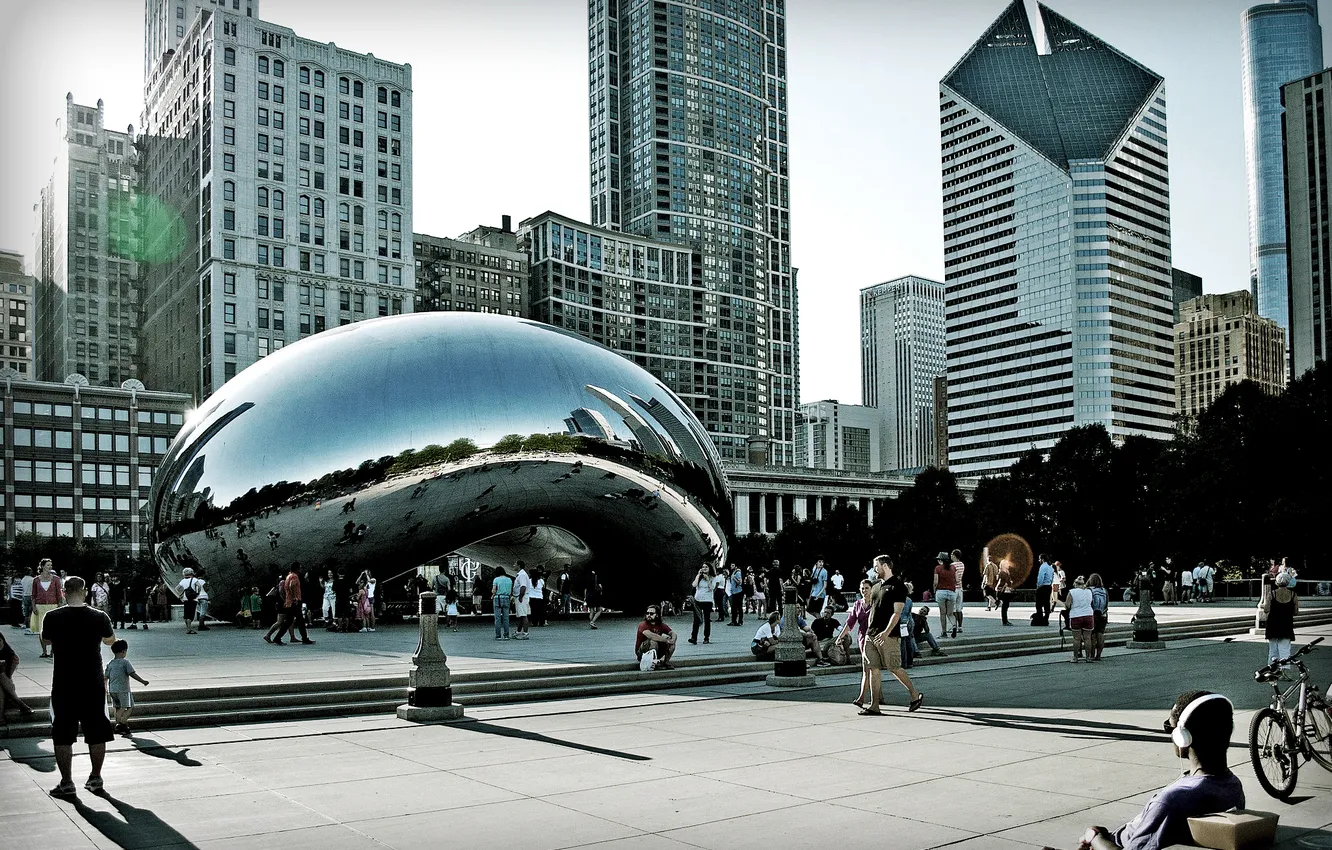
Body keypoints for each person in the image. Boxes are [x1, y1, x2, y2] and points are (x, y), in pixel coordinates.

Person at [1079, 691, 1243, 850]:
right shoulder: (1233, 785)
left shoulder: (1173, 800)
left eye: (1169, 728)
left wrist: (1095, 837)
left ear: (1183, 736)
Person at [41, 576, 117, 796]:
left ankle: (66, 782)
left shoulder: (52, 617)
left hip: (64, 682)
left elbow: (46, 641)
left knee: (62, 733)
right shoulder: (99, 616)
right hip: (92, 681)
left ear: (64, 592)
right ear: (85, 592)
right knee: (97, 731)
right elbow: (110, 640)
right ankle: (95, 778)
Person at [858, 555, 923, 715]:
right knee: (873, 668)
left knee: (894, 667)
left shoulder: (898, 586)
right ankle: (874, 705)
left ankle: (914, 695)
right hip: (871, 635)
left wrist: (886, 632)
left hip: (889, 636)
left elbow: (897, 613)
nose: (874, 569)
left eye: (876, 566)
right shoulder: (875, 586)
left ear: (885, 566)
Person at [104, 639, 149, 737]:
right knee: (128, 707)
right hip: (123, 689)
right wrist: (143, 681)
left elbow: (105, 677)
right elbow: (132, 674)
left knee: (117, 707)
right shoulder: (125, 663)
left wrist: (105, 687)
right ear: (124, 651)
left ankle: (119, 724)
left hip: (113, 690)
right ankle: (121, 723)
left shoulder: (110, 664)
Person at [1263, 571, 1298, 670]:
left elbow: (1266, 609)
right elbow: (1296, 612)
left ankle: (1272, 670)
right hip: (1286, 624)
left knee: (1273, 649)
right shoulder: (1293, 595)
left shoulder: (1272, 594)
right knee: (1285, 649)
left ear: (1277, 582)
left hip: (1273, 624)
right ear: (1288, 582)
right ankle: (1284, 671)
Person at [273, 565, 315, 645]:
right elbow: (291, 585)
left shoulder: (289, 576)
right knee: (299, 621)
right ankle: (305, 638)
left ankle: (277, 638)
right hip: (294, 602)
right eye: (300, 568)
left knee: (290, 621)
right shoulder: (294, 576)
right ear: (297, 569)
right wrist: (295, 597)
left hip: (289, 602)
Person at [31, 559, 65, 657]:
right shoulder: (36, 580)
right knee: (42, 630)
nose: (50, 567)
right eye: (48, 565)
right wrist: (33, 607)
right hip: (40, 606)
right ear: (42, 566)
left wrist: (59, 606)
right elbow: (33, 595)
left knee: (54, 630)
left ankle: (52, 652)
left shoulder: (55, 579)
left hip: (53, 606)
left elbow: (59, 594)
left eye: (51, 565)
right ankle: (44, 651)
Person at [0, 630, 36, 718]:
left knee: (0, 686)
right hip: (5, 680)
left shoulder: (8, 654)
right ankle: (19, 703)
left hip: (3, 679)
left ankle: (0, 717)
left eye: (0, 641)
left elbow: (13, 661)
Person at [635, 604, 676, 670]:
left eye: (651, 613)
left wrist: (672, 640)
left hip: (656, 651)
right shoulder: (643, 625)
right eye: (647, 613)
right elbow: (651, 636)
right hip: (642, 653)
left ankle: (666, 662)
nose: (648, 615)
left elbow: (673, 633)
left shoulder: (661, 625)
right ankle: (653, 663)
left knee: (671, 643)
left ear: (657, 615)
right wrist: (667, 640)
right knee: (653, 641)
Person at [1064, 576, 1095, 662]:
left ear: (1075, 584)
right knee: (1087, 638)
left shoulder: (1072, 592)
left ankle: (1075, 657)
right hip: (1088, 615)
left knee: (1076, 638)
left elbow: (1067, 605)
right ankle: (1088, 657)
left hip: (1076, 615)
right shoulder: (1089, 591)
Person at [932, 552, 958, 639]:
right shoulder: (953, 568)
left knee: (942, 614)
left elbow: (936, 582)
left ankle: (944, 633)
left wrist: (934, 590)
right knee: (950, 613)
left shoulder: (937, 568)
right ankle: (954, 626)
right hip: (951, 592)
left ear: (940, 560)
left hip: (941, 592)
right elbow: (957, 580)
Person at [689, 564, 714, 645]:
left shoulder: (713, 577)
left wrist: (707, 580)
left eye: (706, 567)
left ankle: (706, 637)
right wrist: (698, 575)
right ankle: (694, 637)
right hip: (698, 600)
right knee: (696, 619)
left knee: (707, 619)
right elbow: (694, 585)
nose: (704, 568)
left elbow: (712, 588)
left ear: (710, 568)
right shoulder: (699, 577)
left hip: (707, 600)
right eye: (703, 567)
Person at [810, 604, 839, 668]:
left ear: (831, 614)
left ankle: (848, 658)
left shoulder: (834, 621)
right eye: (825, 612)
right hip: (820, 642)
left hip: (829, 641)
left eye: (828, 613)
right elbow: (811, 633)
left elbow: (840, 628)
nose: (826, 614)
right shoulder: (817, 621)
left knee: (845, 636)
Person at [177, 568, 204, 635]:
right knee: (190, 615)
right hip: (192, 598)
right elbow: (199, 586)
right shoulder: (194, 579)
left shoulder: (183, 580)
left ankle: (188, 628)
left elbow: (177, 588)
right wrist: (197, 593)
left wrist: (180, 594)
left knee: (186, 615)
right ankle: (189, 629)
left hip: (185, 598)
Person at [1088, 573, 1108, 662]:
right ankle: (1098, 655)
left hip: (1092, 614)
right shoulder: (1104, 590)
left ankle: (1091, 655)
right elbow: (1107, 603)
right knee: (1100, 635)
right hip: (1103, 615)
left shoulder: (1089, 590)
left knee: (1092, 636)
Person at [512, 561, 533, 640]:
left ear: (519, 565)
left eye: (515, 564)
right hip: (520, 597)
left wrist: (520, 596)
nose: (513, 565)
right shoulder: (520, 574)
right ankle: (518, 632)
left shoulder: (522, 575)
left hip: (522, 597)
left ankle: (525, 633)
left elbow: (523, 586)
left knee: (523, 615)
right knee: (520, 615)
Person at [492, 569, 513, 640]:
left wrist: (493, 594)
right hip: (507, 598)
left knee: (497, 618)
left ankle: (498, 635)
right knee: (506, 618)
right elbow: (510, 591)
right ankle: (506, 635)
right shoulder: (509, 580)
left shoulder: (496, 579)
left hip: (498, 598)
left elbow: (494, 590)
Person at [950, 549, 966, 636]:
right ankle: (960, 626)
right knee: (959, 608)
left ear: (954, 555)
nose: (950, 556)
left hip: (953, 588)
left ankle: (954, 626)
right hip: (960, 588)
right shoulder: (962, 564)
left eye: (951, 554)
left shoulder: (952, 565)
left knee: (953, 609)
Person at [1034, 554, 1054, 625]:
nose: (1039, 560)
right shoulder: (1050, 567)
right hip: (1048, 586)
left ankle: (1039, 618)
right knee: (1046, 603)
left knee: (1038, 604)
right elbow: (1052, 577)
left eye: (1039, 559)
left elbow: (1040, 577)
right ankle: (1046, 619)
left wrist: (1038, 586)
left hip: (1042, 587)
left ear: (1042, 559)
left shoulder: (1043, 566)